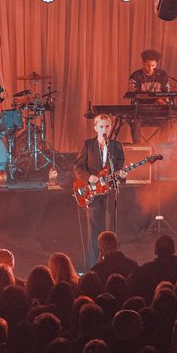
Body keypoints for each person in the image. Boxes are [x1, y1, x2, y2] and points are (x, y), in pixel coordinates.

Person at [73, 114, 127, 271]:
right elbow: (78, 167)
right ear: (95, 128)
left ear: (111, 128)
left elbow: (119, 170)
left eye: (107, 126)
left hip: (109, 192)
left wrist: (122, 176)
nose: (104, 130)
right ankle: (92, 267)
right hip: (93, 193)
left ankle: (111, 265)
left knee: (110, 230)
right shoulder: (88, 145)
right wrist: (89, 177)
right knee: (94, 230)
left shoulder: (117, 146)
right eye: (101, 126)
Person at [127, 49, 172, 144]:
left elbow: (167, 93)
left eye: (153, 65)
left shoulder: (162, 75)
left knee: (167, 123)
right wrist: (154, 101)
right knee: (135, 122)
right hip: (140, 113)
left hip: (157, 113)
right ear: (143, 63)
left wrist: (163, 100)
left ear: (156, 64)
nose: (150, 68)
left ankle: (162, 150)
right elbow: (134, 95)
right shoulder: (135, 76)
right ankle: (138, 149)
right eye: (148, 65)